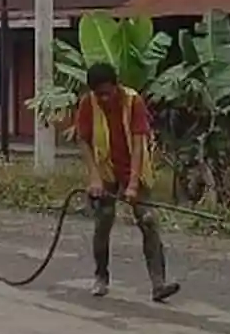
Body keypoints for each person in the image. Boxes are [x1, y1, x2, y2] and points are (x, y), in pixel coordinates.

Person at [74, 61, 181, 302]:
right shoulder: (87, 104)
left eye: (107, 93)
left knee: (148, 220)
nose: (103, 98)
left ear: (116, 86)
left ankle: (158, 283)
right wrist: (94, 177)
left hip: (133, 167)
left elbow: (138, 144)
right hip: (105, 170)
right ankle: (101, 276)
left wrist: (133, 184)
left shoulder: (133, 102)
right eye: (98, 94)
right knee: (103, 223)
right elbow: (83, 140)